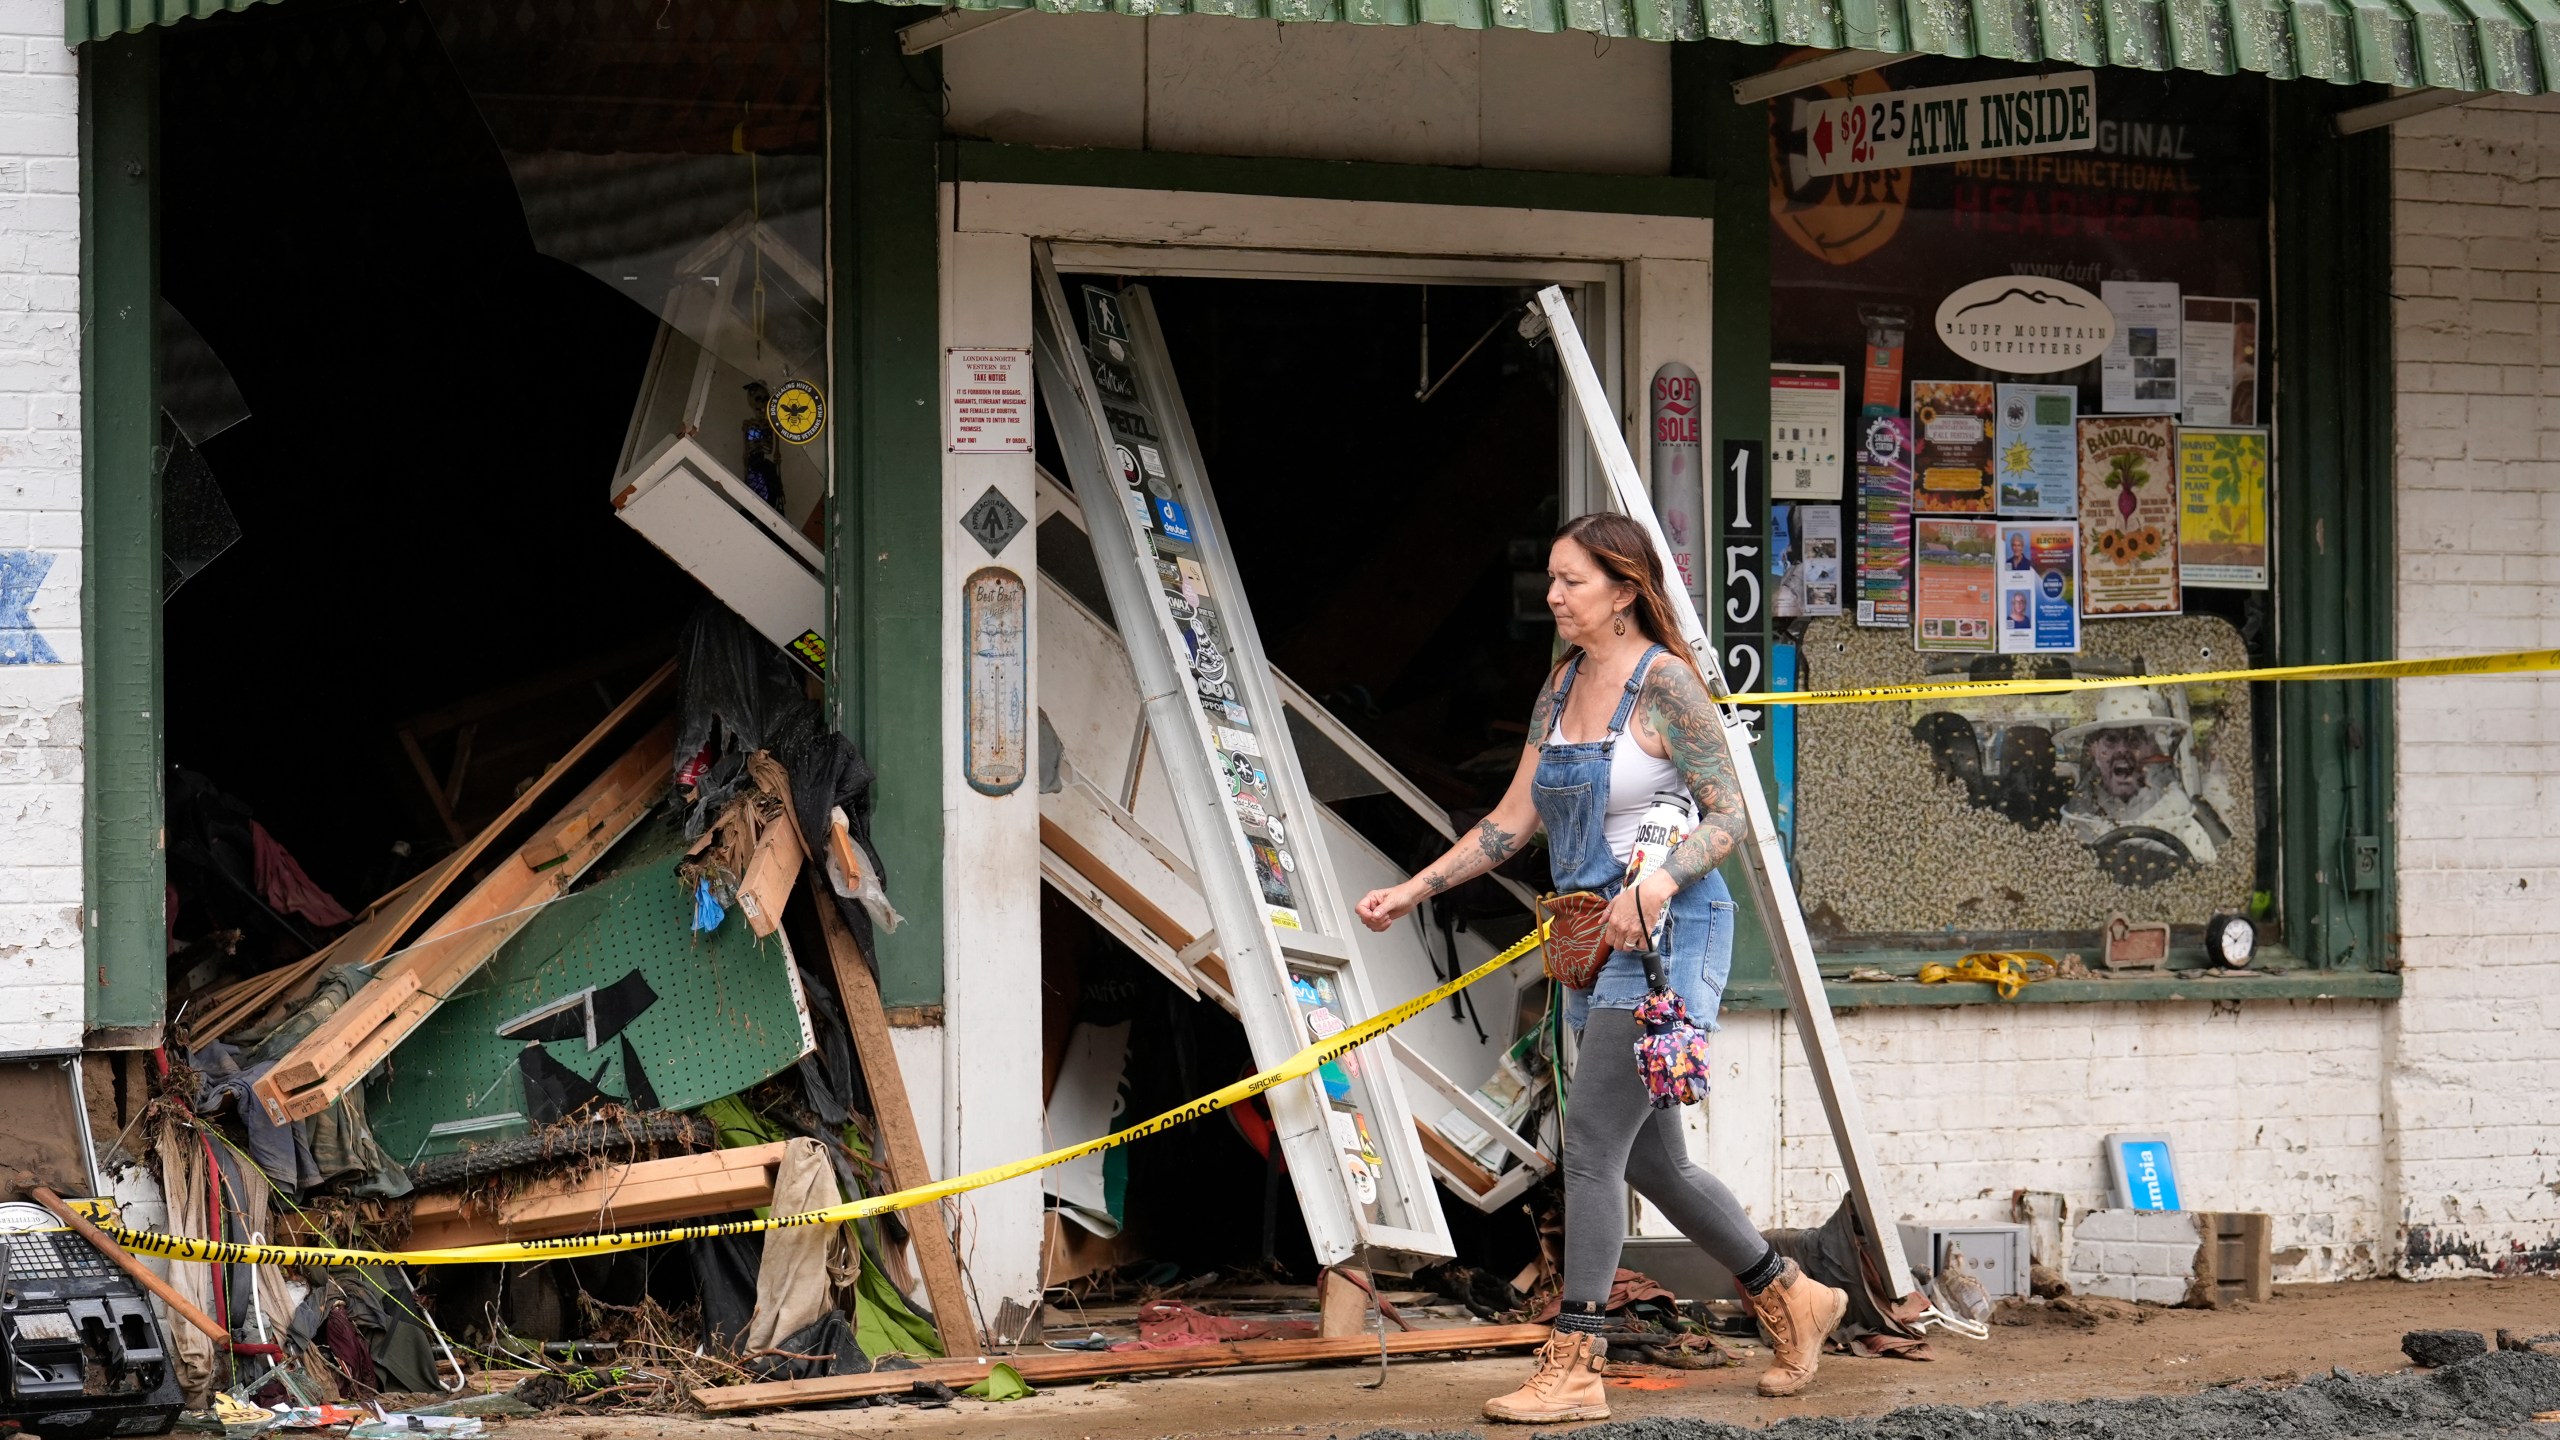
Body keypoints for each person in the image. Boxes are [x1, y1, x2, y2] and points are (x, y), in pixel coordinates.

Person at [1357, 513, 1847, 1423]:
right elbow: (1512, 822)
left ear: (1624, 591)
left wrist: (1658, 882)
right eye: (1550, 578)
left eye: (1571, 581)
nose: (1552, 596)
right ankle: (1795, 1295)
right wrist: (1415, 888)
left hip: (1671, 937)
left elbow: (1732, 814)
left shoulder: (1667, 687)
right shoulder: (1558, 687)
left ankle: (1578, 1359)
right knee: (1653, 1164)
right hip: (1591, 945)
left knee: (1588, 1147)